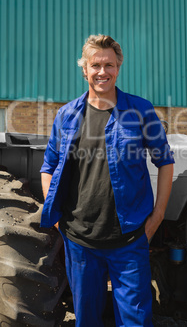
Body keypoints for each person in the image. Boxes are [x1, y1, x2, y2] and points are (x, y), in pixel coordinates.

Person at [40, 34, 174, 327]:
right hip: (80, 242)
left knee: (136, 322)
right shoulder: (66, 116)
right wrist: (59, 220)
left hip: (129, 241)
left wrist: (158, 215)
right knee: (86, 320)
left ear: (118, 67)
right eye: (96, 65)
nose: (103, 71)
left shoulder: (140, 110)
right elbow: (47, 167)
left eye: (109, 65)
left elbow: (165, 161)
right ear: (85, 70)